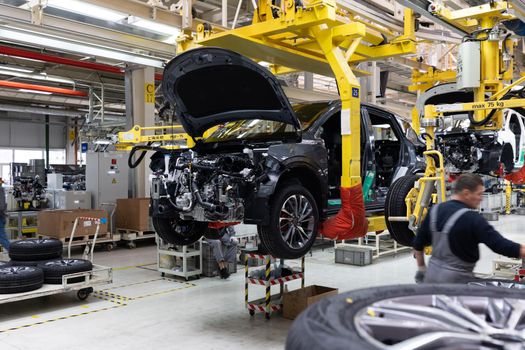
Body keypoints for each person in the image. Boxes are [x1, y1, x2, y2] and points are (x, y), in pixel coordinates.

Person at [413, 173, 525, 283]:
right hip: (457, 284)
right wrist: (522, 250)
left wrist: (422, 269)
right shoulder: (473, 219)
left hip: (431, 278)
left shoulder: (435, 210)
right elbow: (500, 245)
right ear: (466, 193)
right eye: (479, 194)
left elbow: (418, 244)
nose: (481, 199)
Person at [0, 178, 10, 252]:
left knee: (2, 238)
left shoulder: (0, 190)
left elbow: (1, 206)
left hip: (0, 217)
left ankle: (15, 254)